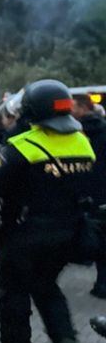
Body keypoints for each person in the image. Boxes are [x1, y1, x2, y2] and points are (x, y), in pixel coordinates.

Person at [0, 81, 94, 343]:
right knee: (47, 285)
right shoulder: (82, 142)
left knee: (13, 291)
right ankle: (64, 340)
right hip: (69, 231)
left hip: (25, 232)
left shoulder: (22, 146)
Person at [74, 94, 106, 298]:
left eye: (73, 107)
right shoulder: (103, 128)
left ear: (83, 108)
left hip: (86, 191)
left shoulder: (76, 132)